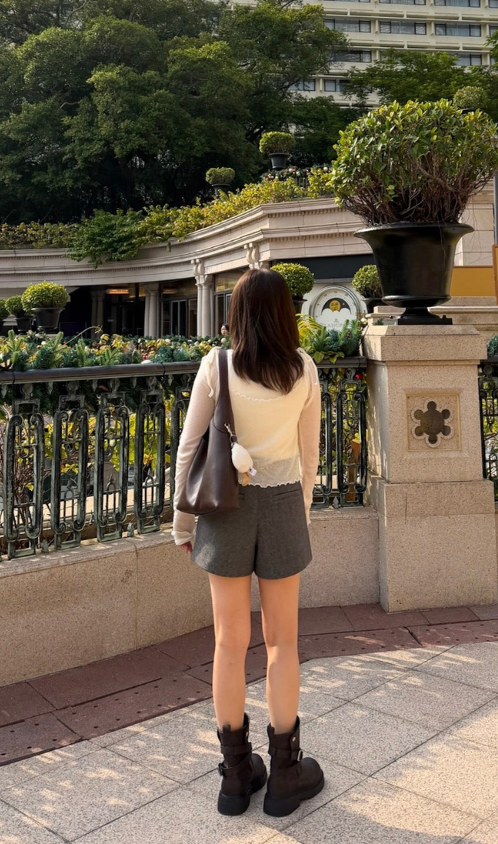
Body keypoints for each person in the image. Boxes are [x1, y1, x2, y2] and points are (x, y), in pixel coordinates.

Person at [173, 267, 324, 818]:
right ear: (287, 313)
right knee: (282, 643)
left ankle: (235, 778)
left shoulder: (216, 366)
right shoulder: (303, 369)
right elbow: (310, 458)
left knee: (228, 643)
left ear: (236, 314)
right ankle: (285, 775)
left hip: (226, 508)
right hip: (282, 505)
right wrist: (298, 515)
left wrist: (182, 524)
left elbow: (189, 448)